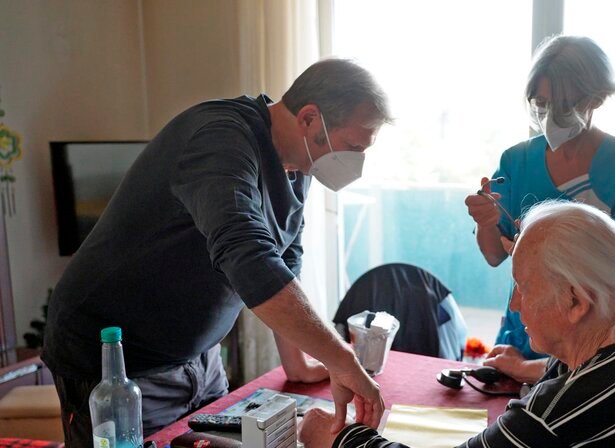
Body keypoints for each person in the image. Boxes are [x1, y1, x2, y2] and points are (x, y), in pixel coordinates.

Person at [41, 58, 390, 446]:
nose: (357, 162)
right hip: (117, 366)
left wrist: (300, 362)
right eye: (354, 147)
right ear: (309, 119)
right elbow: (249, 257)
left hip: (200, 358)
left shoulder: (297, 166)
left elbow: (284, 260)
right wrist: (341, 358)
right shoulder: (220, 140)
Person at [298, 201, 615, 448]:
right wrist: (532, 369)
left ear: (576, 301)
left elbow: (577, 409)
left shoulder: (561, 415)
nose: (514, 305)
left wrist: (342, 441)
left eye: (522, 286)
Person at [464, 35, 615, 384]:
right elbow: (495, 255)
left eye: (565, 105)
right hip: (523, 332)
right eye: (541, 103)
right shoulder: (517, 160)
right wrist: (486, 222)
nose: (550, 115)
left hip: (595, 341)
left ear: (597, 99)